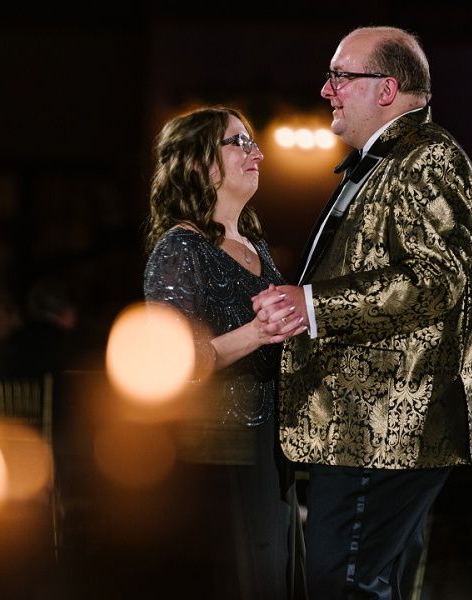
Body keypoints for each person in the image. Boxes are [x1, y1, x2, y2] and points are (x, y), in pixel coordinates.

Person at [253, 26, 472, 599]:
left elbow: (437, 280)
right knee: (369, 584)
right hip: (370, 429)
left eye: (340, 76)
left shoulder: (425, 157)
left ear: (387, 89)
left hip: (383, 428)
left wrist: (310, 305)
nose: (325, 89)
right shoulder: (383, 160)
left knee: (344, 584)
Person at [143, 105, 307, 599]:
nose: (255, 152)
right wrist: (258, 332)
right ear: (196, 163)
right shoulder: (180, 249)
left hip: (268, 447)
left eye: (253, 141)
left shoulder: (256, 246)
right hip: (217, 454)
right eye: (238, 142)